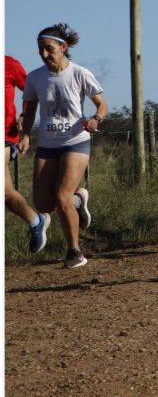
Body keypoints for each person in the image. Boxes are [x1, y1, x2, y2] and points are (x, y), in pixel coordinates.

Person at [18, 24, 106, 268]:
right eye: (40, 50)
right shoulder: (35, 77)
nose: (44, 55)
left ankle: (74, 251)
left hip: (76, 141)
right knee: (44, 204)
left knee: (61, 196)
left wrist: (96, 119)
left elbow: (102, 105)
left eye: (49, 49)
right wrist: (25, 135)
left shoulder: (79, 73)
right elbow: (29, 109)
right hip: (46, 143)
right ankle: (79, 200)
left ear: (63, 47)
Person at [5, 55, 50, 254]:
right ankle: (35, 221)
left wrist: (24, 119)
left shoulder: (10, 64)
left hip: (5, 135)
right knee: (5, 194)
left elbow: (31, 92)